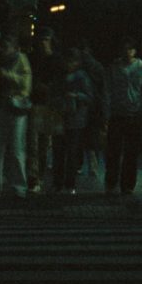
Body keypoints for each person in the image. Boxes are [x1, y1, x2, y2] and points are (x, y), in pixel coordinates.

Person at [104, 37, 142, 196]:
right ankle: (111, 182)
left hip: (134, 116)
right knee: (113, 151)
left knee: (131, 153)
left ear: (135, 51)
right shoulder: (113, 68)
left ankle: (127, 185)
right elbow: (107, 90)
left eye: (130, 49)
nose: (128, 52)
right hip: (117, 114)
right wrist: (107, 111)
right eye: (125, 48)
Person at [0, 32, 32, 198]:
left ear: (14, 48)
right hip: (0, 106)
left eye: (5, 47)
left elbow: (25, 83)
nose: (2, 50)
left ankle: (18, 186)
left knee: (16, 148)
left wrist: (5, 75)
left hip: (15, 107)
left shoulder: (20, 60)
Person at [51, 49, 94, 195]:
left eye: (72, 61)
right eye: (68, 61)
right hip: (61, 118)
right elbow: (52, 94)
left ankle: (70, 183)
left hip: (76, 120)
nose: (69, 64)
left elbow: (89, 97)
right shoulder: (60, 76)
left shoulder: (82, 77)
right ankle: (58, 183)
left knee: (72, 153)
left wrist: (76, 96)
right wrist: (59, 100)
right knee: (58, 153)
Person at [26, 28, 63, 194]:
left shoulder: (56, 59)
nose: (43, 42)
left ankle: (38, 176)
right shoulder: (34, 58)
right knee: (33, 144)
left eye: (46, 39)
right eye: (41, 39)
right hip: (36, 104)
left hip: (49, 105)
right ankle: (34, 178)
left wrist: (48, 88)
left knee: (43, 145)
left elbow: (60, 81)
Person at [75, 39, 108, 179]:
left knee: (80, 136)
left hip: (81, 104)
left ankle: (78, 165)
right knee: (92, 138)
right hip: (95, 105)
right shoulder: (97, 66)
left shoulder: (77, 66)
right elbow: (103, 90)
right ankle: (92, 166)